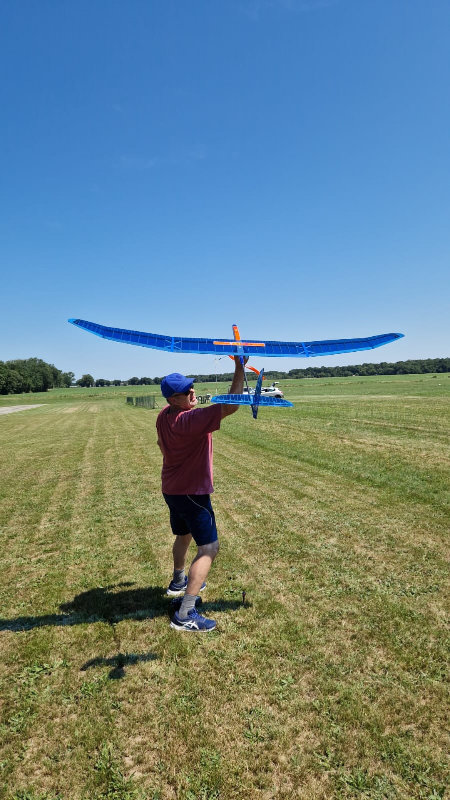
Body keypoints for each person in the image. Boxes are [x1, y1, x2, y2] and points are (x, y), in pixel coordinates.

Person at [156, 357, 247, 632]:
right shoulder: (190, 420)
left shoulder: (163, 415)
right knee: (209, 548)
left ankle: (178, 581)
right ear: (174, 399)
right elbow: (231, 405)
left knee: (183, 535)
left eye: (192, 387)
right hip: (192, 492)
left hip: (171, 489)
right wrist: (240, 368)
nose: (193, 392)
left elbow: (161, 444)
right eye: (187, 392)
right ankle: (185, 613)